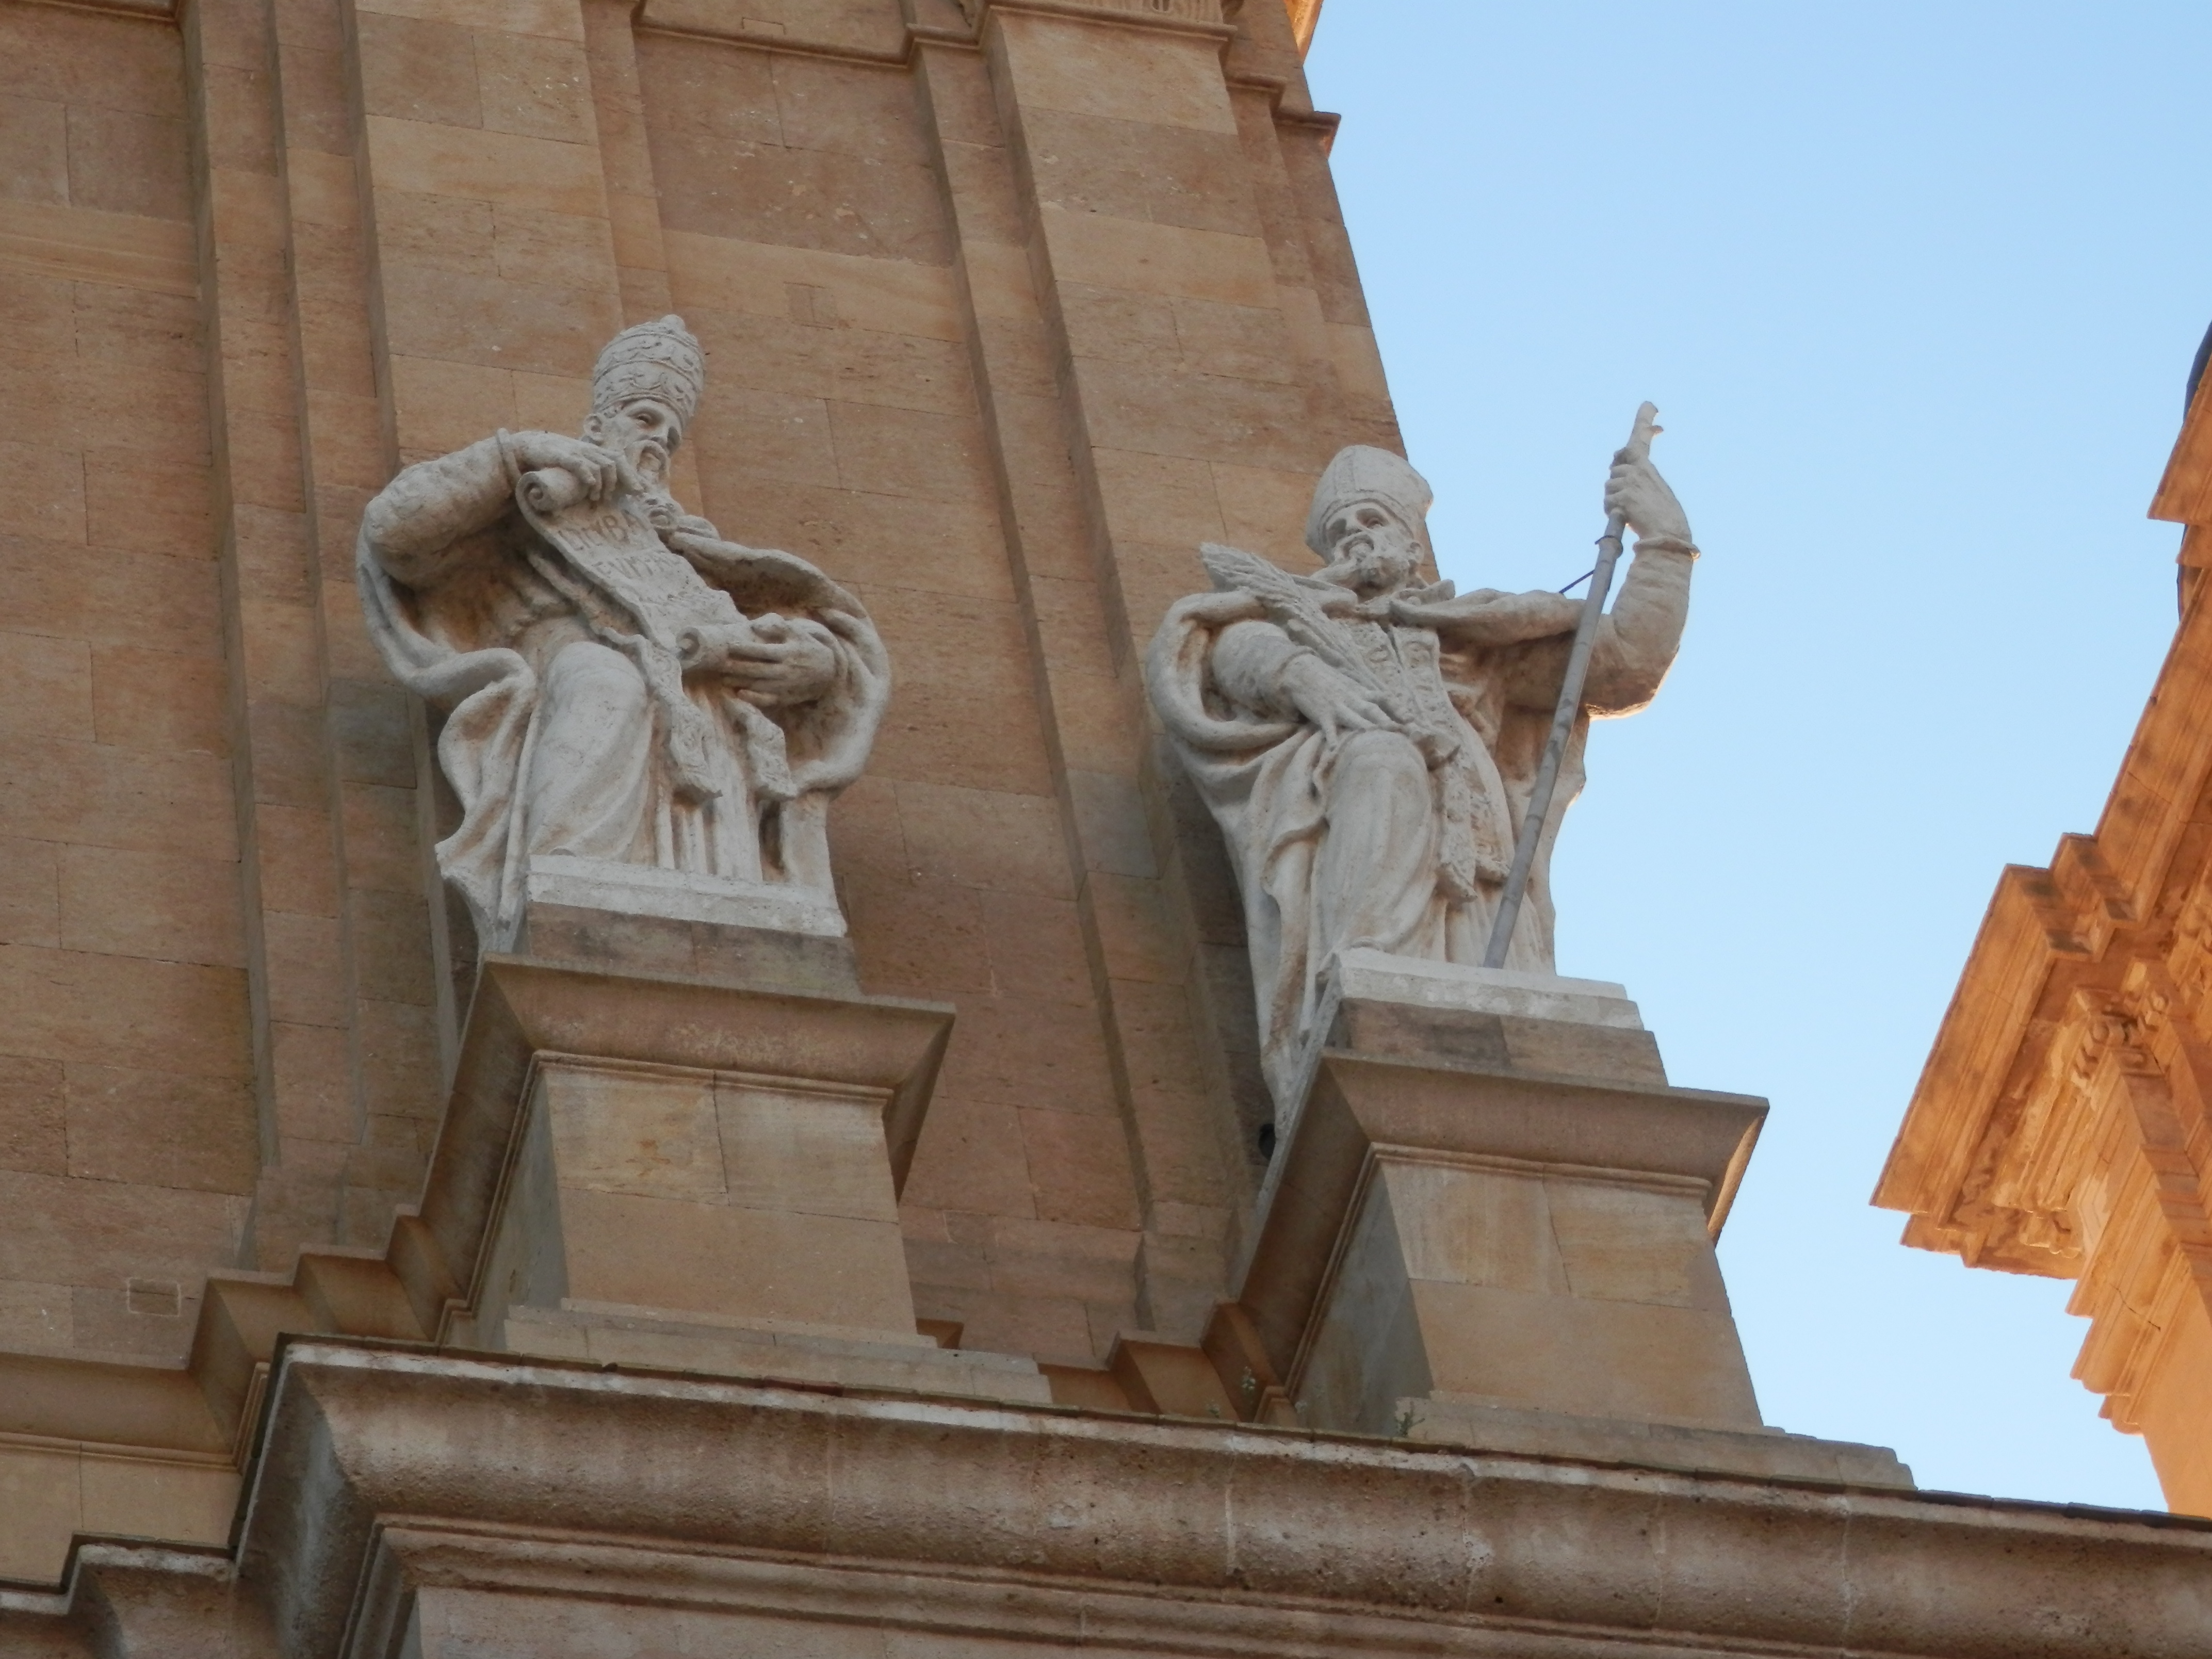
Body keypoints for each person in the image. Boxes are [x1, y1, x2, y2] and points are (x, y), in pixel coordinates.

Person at [1146, 437, 1695, 1107]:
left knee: (1491, 947)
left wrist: (1664, 544)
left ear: (1411, 541)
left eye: (1371, 520)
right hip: (1359, 783)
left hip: (1474, 821)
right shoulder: (1301, 615)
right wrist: (1301, 675)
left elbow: (1625, 663)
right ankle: (1367, 961)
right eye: (1340, 528)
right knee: (1384, 756)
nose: (1354, 536)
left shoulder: (1468, 632)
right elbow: (1233, 645)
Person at [357, 316, 888, 947]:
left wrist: (820, 661)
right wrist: (515, 455)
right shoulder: (532, 505)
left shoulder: (685, 547)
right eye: (643, 418)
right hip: (578, 665)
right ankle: (570, 877)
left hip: (704, 710)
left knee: (701, 716)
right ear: (595, 428)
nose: (658, 438)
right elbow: (395, 533)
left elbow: (795, 612)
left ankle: (730, 900)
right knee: (605, 677)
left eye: (670, 433)